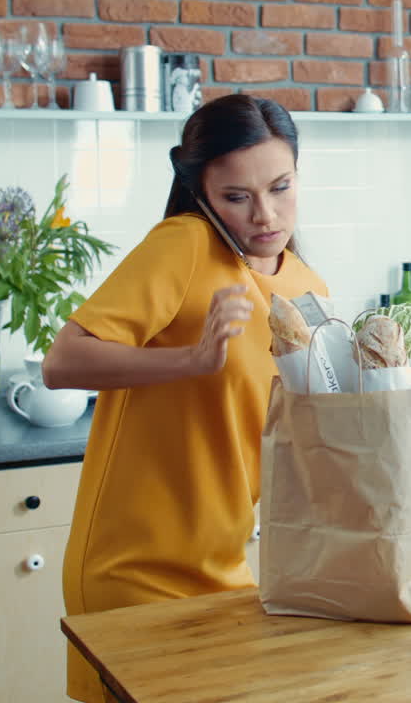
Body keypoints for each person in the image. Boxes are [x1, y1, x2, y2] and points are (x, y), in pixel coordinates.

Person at [42, 95, 329, 703]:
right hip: (134, 570)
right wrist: (191, 360)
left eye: (280, 187)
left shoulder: (307, 287)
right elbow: (62, 361)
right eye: (236, 196)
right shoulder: (184, 245)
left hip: (229, 567)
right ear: (199, 191)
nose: (265, 214)